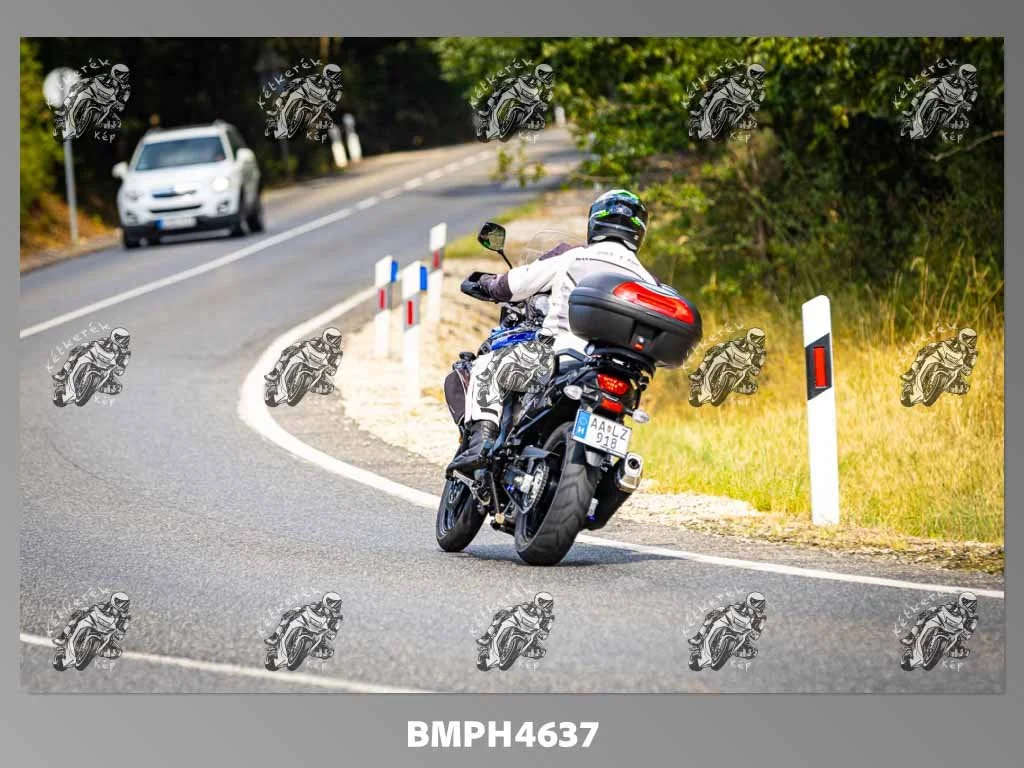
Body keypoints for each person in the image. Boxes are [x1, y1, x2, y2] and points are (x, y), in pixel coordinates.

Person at [447, 189, 657, 476]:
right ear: (639, 231)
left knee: (487, 367)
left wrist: (487, 283)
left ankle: (479, 446)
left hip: (558, 356)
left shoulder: (575, 257)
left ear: (595, 222)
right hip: (617, 373)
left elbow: (515, 285)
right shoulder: (648, 281)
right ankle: (616, 475)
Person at [52, 327, 131, 406]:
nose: (123, 342)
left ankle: (95, 388)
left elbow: (120, 371)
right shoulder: (105, 340)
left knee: (118, 388)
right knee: (76, 351)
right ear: (114, 336)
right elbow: (92, 343)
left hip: (106, 369)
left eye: (125, 340)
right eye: (121, 339)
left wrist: (120, 367)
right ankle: (63, 373)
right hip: (94, 359)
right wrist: (84, 346)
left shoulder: (125, 354)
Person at [688, 592, 766, 670]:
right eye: (756, 607)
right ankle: (699, 636)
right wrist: (722, 610)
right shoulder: (738, 605)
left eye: (760, 606)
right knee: (713, 614)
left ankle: (730, 652)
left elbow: (756, 636)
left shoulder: (761, 618)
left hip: (742, 633)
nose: (757, 611)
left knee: (752, 652)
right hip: (728, 623)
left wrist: (753, 631)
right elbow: (727, 608)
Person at [264, 328, 343, 405]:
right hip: (306, 359)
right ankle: (275, 372)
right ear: (326, 336)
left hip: (319, 369)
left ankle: (306, 388)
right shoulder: (317, 341)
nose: (334, 341)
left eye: (337, 340)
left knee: (329, 388)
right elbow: (304, 344)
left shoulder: (338, 354)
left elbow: (334, 368)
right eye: (332, 338)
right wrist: (294, 347)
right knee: (287, 353)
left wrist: (331, 368)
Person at [900, 592, 977, 670]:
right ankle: (911, 636)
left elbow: (970, 630)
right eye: (970, 603)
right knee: (924, 616)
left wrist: (967, 631)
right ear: (962, 601)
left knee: (962, 649)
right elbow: (941, 607)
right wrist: (933, 610)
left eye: (973, 604)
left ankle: (950, 651)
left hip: (955, 631)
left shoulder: (973, 617)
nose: (972, 606)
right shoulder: (953, 605)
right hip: (941, 622)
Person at [265, 592, 343, 670]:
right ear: (326, 601)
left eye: (337, 604)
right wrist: (296, 611)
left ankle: (307, 652)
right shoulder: (315, 605)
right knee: (289, 615)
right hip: (304, 623)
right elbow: (302, 608)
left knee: (329, 652)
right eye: (333, 603)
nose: (335, 606)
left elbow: (332, 635)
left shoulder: (337, 618)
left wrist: (331, 631)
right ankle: (276, 636)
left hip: (318, 633)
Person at [53, 592, 131, 670]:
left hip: (106, 633)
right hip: (93, 623)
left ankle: (96, 652)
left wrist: (119, 632)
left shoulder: (125, 617)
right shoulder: (104, 605)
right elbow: (91, 608)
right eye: (121, 603)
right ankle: (63, 637)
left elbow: (121, 634)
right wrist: (84, 611)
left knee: (118, 652)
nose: (122, 606)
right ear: (114, 600)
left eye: (125, 604)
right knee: (77, 616)